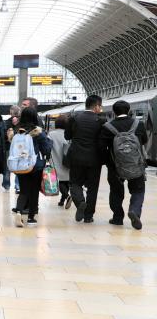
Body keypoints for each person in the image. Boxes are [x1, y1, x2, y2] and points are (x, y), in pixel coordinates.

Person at [101, 100, 147, 229]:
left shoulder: (107, 127)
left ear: (114, 112)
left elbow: (101, 147)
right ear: (129, 111)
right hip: (135, 164)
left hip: (115, 166)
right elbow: (144, 141)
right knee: (138, 190)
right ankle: (134, 211)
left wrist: (109, 162)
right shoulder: (139, 124)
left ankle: (117, 218)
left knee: (116, 192)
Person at [12, 107, 53, 227]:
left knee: (23, 190)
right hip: (36, 166)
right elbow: (46, 150)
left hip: (21, 165)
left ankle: (19, 211)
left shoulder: (17, 131)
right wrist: (49, 142)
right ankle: (31, 217)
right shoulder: (38, 132)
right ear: (35, 116)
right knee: (34, 191)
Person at [66, 95, 105, 223]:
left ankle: (80, 202)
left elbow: (67, 136)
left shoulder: (74, 118)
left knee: (75, 183)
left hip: (76, 156)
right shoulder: (101, 120)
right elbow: (102, 141)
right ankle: (89, 216)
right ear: (96, 106)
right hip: (95, 159)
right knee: (93, 188)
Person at [48, 113, 72, 208]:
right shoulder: (69, 134)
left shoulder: (51, 134)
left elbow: (48, 147)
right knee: (66, 180)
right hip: (67, 160)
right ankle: (62, 200)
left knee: (59, 180)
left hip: (55, 159)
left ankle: (66, 196)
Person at [2, 105, 22, 191]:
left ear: (10, 112)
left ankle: (6, 185)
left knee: (7, 167)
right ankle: (18, 186)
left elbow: (3, 135)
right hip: (20, 148)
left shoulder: (6, 122)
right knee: (19, 166)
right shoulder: (22, 122)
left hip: (8, 147)